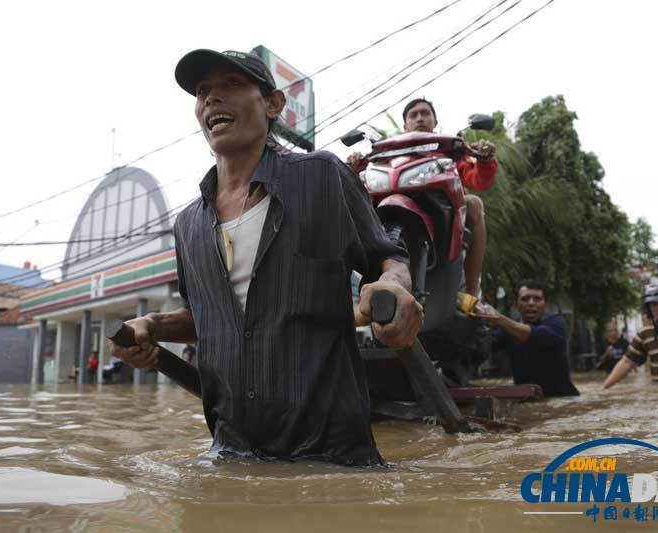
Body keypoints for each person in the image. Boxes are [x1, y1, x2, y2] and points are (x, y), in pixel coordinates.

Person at [109, 48, 423, 466]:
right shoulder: (188, 225)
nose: (212, 99)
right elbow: (209, 319)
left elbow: (389, 257)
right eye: (203, 92)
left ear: (273, 104)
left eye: (232, 85)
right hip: (231, 452)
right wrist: (152, 325)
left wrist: (392, 287)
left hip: (331, 454)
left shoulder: (321, 176)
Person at [348, 98, 498, 298]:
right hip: (393, 200)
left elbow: (480, 181)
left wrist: (484, 158)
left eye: (425, 113)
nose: (420, 118)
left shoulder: (450, 152)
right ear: (405, 125)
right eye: (413, 114)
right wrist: (356, 163)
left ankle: (471, 293)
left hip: (446, 210)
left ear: (435, 122)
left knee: (474, 204)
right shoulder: (388, 155)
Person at [475, 280, 580, 397]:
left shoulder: (557, 324)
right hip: (527, 399)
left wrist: (499, 319)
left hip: (561, 400)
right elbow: (481, 346)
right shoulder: (508, 332)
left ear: (546, 305)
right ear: (516, 305)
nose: (531, 303)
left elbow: (534, 334)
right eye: (525, 299)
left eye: (537, 299)